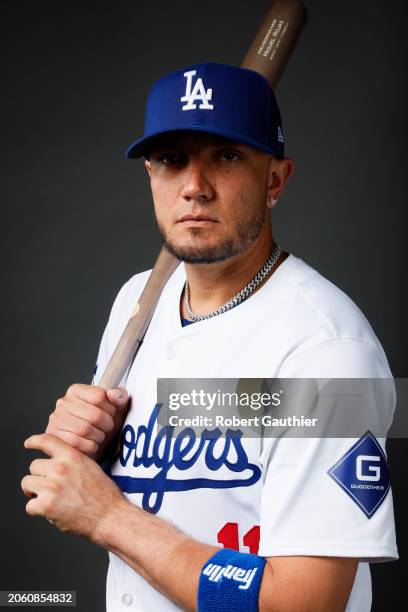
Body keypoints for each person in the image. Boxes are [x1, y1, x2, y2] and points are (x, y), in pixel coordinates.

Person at [22, 63, 398, 611]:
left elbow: (304, 604)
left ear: (274, 180)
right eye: (174, 160)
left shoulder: (329, 354)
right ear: (151, 174)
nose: (194, 188)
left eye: (226, 157)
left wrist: (107, 516)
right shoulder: (136, 302)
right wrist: (103, 450)